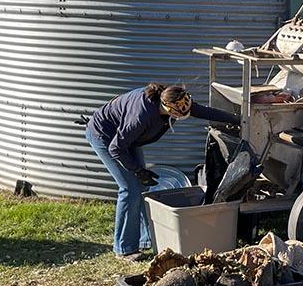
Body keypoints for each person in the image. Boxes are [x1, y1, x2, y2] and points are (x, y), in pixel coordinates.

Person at [85, 83, 240, 259]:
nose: (186, 111)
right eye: (181, 111)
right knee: (130, 189)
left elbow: (205, 112)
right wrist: (138, 171)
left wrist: (237, 119)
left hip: (127, 139)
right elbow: (116, 148)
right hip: (106, 136)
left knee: (141, 189)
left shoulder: (174, 99)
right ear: (169, 108)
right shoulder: (141, 116)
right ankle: (124, 248)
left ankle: (146, 240)